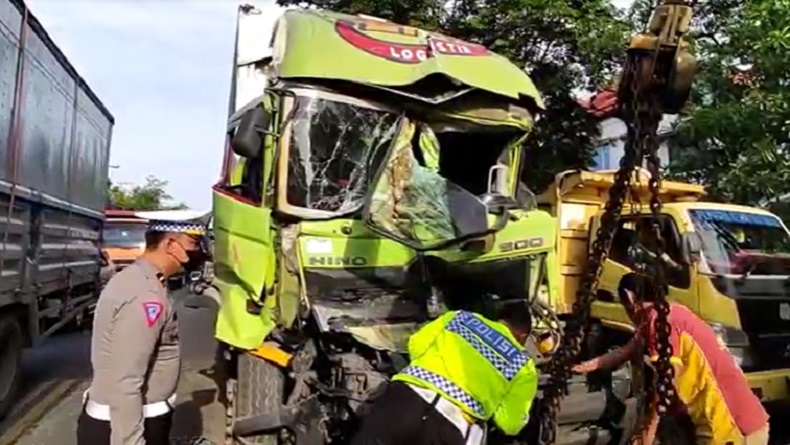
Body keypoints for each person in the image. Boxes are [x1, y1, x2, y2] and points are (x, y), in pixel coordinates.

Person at [573, 273, 769, 445]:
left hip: (729, 425)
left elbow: (665, 381)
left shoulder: (659, 322)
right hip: (745, 418)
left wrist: (648, 433)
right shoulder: (668, 313)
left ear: (629, 297)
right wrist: (581, 368)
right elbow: (622, 353)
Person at [77, 213, 210, 445]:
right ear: (170, 244)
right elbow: (126, 382)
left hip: (129, 421)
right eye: (193, 244)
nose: (198, 252)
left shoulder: (138, 279)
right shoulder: (145, 296)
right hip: (126, 427)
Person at [351, 301, 539, 445]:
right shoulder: (524, 366)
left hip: (405, 400)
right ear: (523, 335)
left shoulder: (459, 318)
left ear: (499, 319)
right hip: (452, 426)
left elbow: (415, 344)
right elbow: (510, 424)